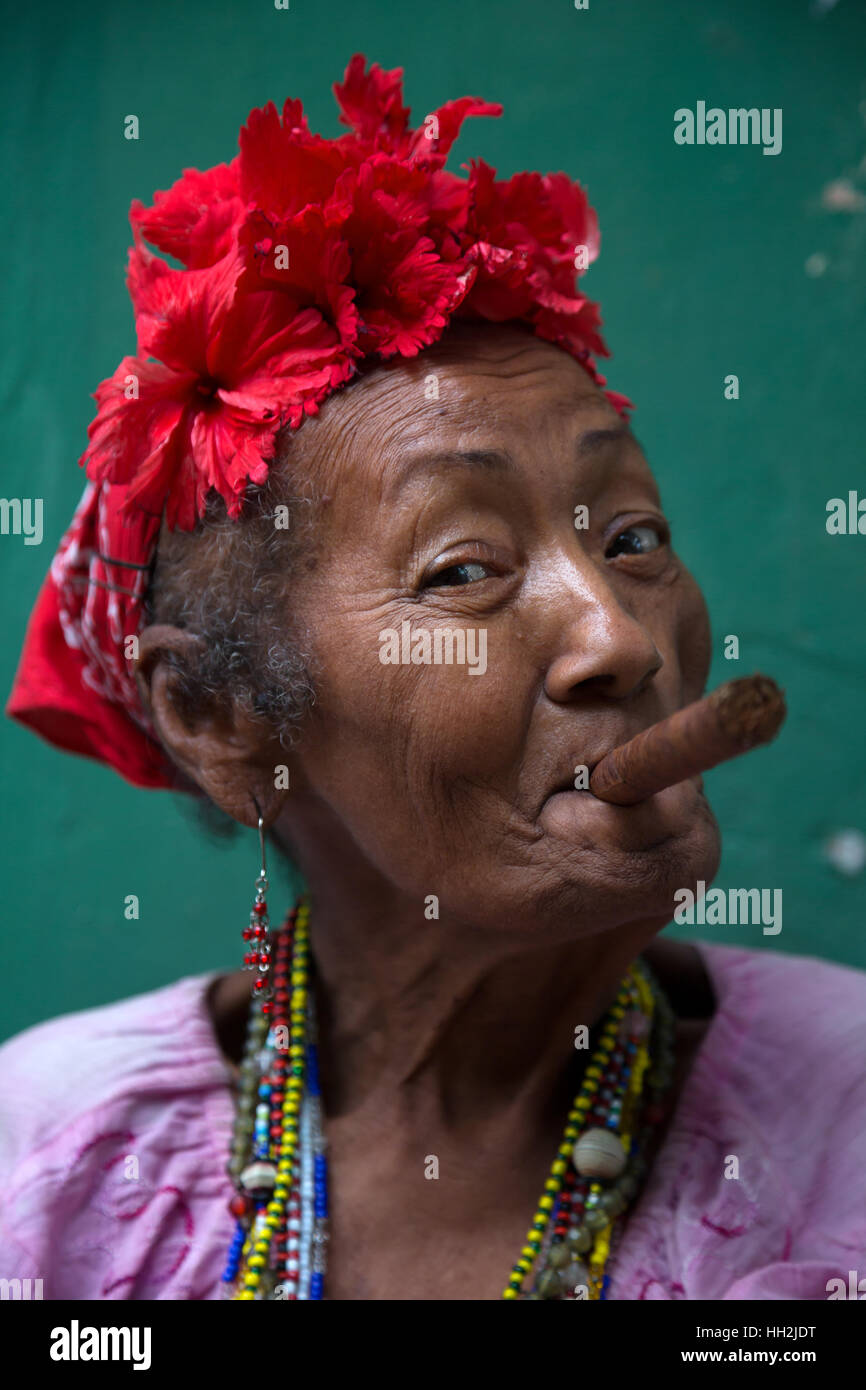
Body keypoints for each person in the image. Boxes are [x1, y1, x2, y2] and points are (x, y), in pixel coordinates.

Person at [2, 55, 864, 1303]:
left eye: (630, 539)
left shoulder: (842, 1120)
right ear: (218, 717)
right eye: (464, 568)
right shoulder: (48, 1170)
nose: (619, 638)